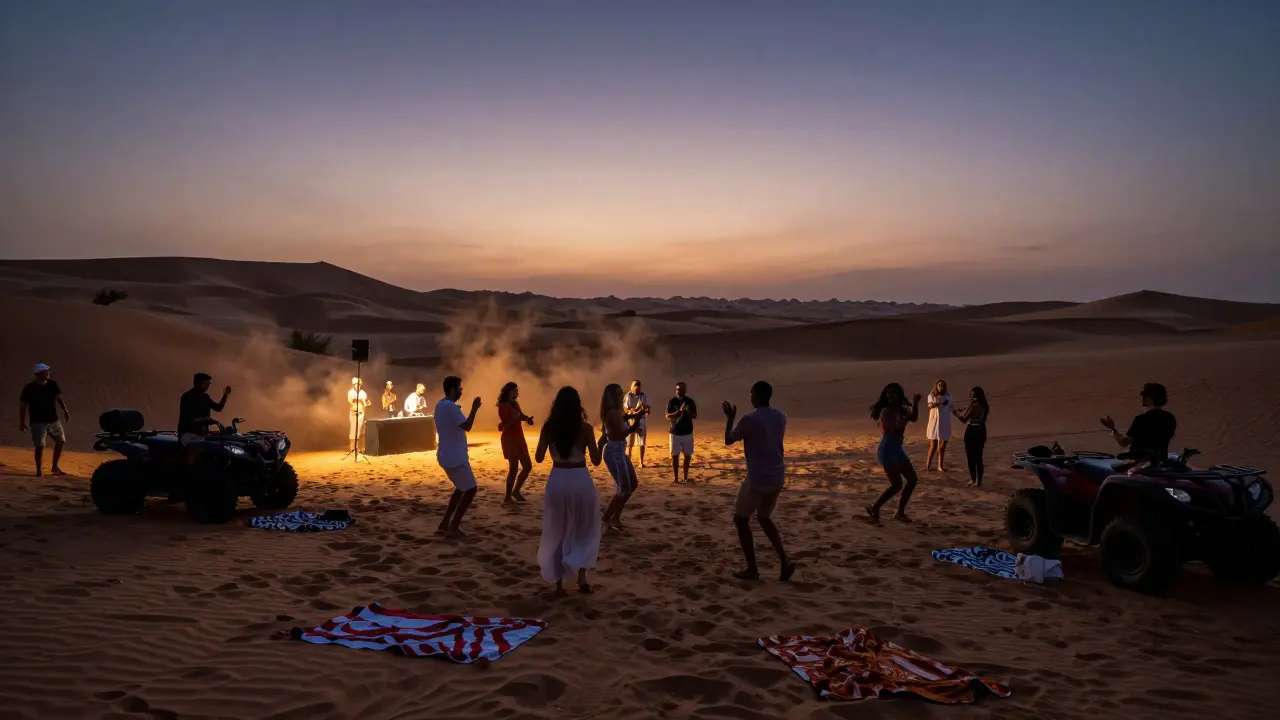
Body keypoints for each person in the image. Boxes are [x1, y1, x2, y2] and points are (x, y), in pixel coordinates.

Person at [723, 381, 796, 582]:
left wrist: (730, 419)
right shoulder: (780, 416)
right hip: (777, 476)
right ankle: (784, 560)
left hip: (758, 478)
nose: (750, 396)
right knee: (764, 518)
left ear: (758, 395)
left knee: (740, 520)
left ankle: (752, 569)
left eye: (752, 393)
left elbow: (729, 439)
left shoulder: (749, 420)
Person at [536, 386, 603, 595]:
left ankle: (558, 584)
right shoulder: (585, 429)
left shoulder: (549, 427)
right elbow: (596, 460)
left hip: (557, 479)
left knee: (557, 528)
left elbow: (538, 458)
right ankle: (582, 580)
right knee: (585, 528)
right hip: (580, 479)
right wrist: (601, 442)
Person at [866, 383, 922, 522]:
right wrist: (904, 417)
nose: (891, 396)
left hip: (897, 449)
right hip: (887, 449)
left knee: (912, 479)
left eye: (894, 393)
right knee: (897, 485)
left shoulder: (902, 410)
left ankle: (900, 511)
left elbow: (914, 417)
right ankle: (875, 507)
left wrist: (915, 404)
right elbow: (892, 430)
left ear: (900, 395)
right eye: (889, 393)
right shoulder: (886, 411)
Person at [434, 376, 482, 538]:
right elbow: (467, 426)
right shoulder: (450, 407)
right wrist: (474, 409)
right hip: (454, 457)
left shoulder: (441, 404)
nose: (461, 392)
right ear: (453, 389)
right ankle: (453, 527)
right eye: (460, 389)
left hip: (446, 455)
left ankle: (445, 523)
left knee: (461, 489)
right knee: (471, 489)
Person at [599, 383, 641, 532]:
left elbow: (623, 420)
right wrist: (636, 422)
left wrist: (633, 415)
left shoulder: (615, 412)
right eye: (619, 393)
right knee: (623, 488)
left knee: (633, 484)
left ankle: (615, 517)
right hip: (614, 452)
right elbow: (624, 432)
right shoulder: (612, 412)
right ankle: (606, 520)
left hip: (619, 450)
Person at [18, 363, 70, 477]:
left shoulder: (52, 384)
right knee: (40, 446)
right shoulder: (29, 388)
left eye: (47, 371)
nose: (48, 373)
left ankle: (55, 467)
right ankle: (39, 470)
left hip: (53, 420)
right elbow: (23, 406)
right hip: (38, 421)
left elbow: (58, 398)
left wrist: (65, 411)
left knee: (60, 441)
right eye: (45, 371)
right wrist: (22, 423)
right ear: (38, 374)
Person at [1100, 382, 1176, 458]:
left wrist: (1112, 428)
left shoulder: (1142, 419)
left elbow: (1123, 442)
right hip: (1161, 462)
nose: (1143, 398)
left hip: (1141, 465)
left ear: (1150, 398)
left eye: (1144, 396)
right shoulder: (1170, 418)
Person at [497, 382, 535, 503]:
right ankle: (508, 496)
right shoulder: (503, 405)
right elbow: (505, 425)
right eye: (515, 390)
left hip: (519, 437)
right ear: (509, 391)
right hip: (509, 439)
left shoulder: (514, 403)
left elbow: (520, 415)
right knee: (513, 468)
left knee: (527, 466)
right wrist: (514, 418)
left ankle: (516, 491)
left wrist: (527, 419)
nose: (517, 393)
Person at [177, 372, 231, 445]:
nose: (208, 386)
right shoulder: (187, 397)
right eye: (206, 384)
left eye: (209, 384)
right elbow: (189, 419)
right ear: (198, 383)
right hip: (188, 435)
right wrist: (206, 420)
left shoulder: (205, 397)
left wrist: (225, 395)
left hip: (201, 435)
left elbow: (218, 408)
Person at [952, 387, 989, 487]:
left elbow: (964, 419)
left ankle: (974, 480)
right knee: (979, 457)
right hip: (981, 430)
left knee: (971, 457)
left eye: (972, 394)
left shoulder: (974, 405)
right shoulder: (984, 405)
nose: (970, 396)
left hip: (972, 431)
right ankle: (978, 481)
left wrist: (956, 413)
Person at [666, 381, 698, 484]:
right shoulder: (672, 402)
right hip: (675, 432)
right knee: (675, 456)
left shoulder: (690, 401)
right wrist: (679, 411)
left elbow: (695, 416)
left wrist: (687, 411)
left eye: (682, 389)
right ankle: (675, 478)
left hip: (687, 432)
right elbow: (668, 416)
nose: (680, 391)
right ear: (676, 390)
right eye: (679, 389)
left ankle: (685, 477)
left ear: (685, 390)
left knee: (687, 456)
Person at [924, 379, 952, 472]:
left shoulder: (948, 396)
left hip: (944, 422)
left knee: (942, 445)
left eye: (943, 385)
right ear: (936, 386)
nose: (942, 387)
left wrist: (957, 411)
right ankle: (928, 464)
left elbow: (951, 407)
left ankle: (940, 465)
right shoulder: (931, 396)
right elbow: (929, 406)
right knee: (933, 445)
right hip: (934, 422)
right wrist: (937, 403)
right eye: (940, 385)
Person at [623, 380, 650, 467]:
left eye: (639, 386)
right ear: (632, 387)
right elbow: (625, 407)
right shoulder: (628, 395)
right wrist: (631, 411)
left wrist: (644, 409)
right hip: (630, 420)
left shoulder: (643, 395)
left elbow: (647, 406)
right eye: (635, 386)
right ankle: (628, 460)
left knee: (642, 442)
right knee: (629, 442)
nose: (637, 388)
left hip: (641, 420)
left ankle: (641, 462)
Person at [347, 377, 370, 452]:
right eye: (356, 384)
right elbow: (351, 401)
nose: (358, 386)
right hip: (354, 413)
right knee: (354, 430)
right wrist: (360, 401)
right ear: (353, 385)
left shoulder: (363, 392)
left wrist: (367, 402)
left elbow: (367, 401)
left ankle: (361, 448)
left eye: (359, 384)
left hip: (362, 412)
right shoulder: (351, 392)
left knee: (361, 430)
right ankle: (353, 448)